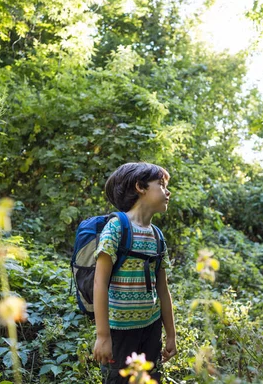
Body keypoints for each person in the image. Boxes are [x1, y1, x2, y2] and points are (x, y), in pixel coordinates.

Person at [92, 162, 177, 383]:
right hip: (119, 332)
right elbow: (99, 283)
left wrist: (171, 334)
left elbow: (163, 290)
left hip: (151, 328)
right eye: (160, 184)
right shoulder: (116, 228)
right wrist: (103, 336)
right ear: (140, 187)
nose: (167, 191)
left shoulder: (157, 236)